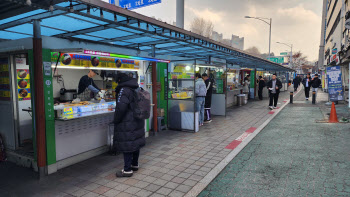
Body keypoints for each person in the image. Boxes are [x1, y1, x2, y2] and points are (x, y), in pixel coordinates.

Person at [114, 73, 145, 177]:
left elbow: (121, 108)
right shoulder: (137, 88)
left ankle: (127, 170)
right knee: (135, 142)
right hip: (138, 120)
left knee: (127, 143)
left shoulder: (124, 90)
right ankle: (135, 164)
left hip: (128, 121)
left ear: (119, 81)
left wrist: (116, 120)